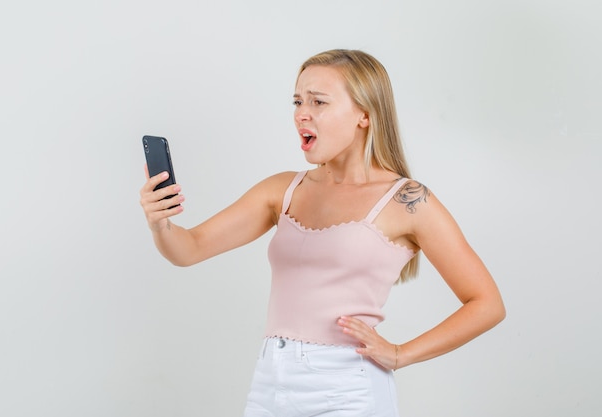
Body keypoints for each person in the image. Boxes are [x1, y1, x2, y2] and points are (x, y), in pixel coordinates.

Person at [139, 49, 505, 416]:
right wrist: (161, 224)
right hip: (271, 383)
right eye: (298, 100)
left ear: (364, 114)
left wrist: (399, 354)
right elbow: (189, 249)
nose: (302, 113)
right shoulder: (281, 190)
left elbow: (486, 304)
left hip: (348, 389)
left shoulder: (409, 201)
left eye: (319, 101)